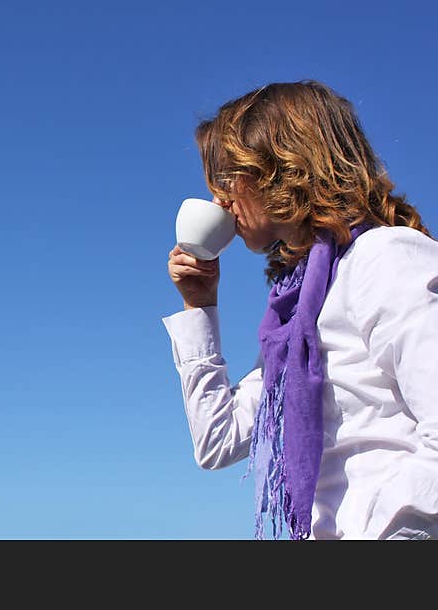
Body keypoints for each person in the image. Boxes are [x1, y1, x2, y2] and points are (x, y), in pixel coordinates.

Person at [164, 81, 438, 540]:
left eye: (228, 176)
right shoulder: (295, 316)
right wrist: (200, 305)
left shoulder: (385, 258)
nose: (219, 200)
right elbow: (218, 440)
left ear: (278, 166)